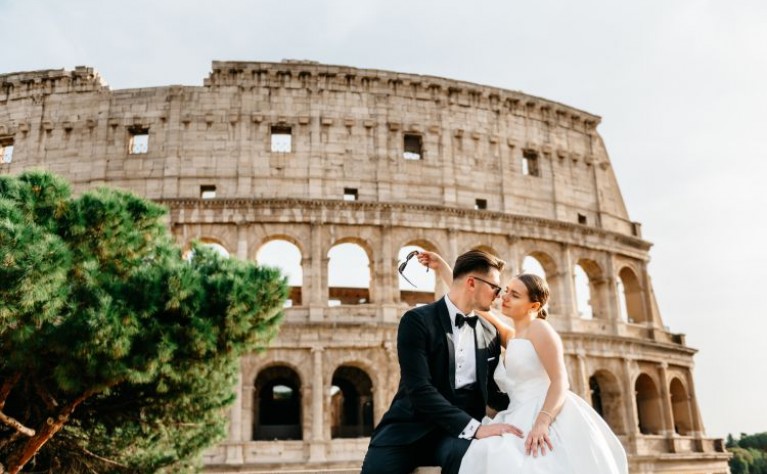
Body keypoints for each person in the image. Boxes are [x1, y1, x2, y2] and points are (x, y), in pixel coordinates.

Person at [416, 250, 628, 474]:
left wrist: (542, 422)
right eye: (506, 291)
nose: (504, 297)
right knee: (486, 453)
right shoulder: (511, 335)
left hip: (545, 412)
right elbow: (471, 298)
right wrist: (442, 267)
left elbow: (560, 381)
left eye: (515, 295)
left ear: (534, 306)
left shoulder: (540, 329)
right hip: (518, 412)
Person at [360, 249, 523, 474]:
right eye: (495, 287)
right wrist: (475, 429)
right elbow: (419, 389)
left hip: (455, 436)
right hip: (408, 429)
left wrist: (532, 410)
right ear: (472, 283)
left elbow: (493, 393)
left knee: (471, 460)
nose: (498, 295)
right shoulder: (416, 320)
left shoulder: (490, 333)